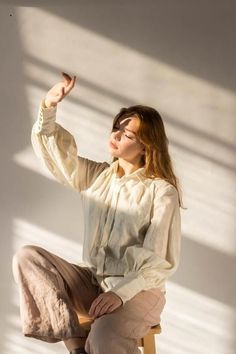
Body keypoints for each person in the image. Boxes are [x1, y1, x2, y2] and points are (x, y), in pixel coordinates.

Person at [12, 72, 183, 354]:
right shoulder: (97, 176)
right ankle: (77, 345)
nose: (115, 135)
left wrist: (119, 293)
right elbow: (55, 155)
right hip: (94, 282)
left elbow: (158, 262)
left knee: (104, 338)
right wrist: (49, 107)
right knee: (28, 257)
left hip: (139, 290)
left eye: (127, 134)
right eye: (116, 127)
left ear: (145, 146)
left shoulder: (162, 191)